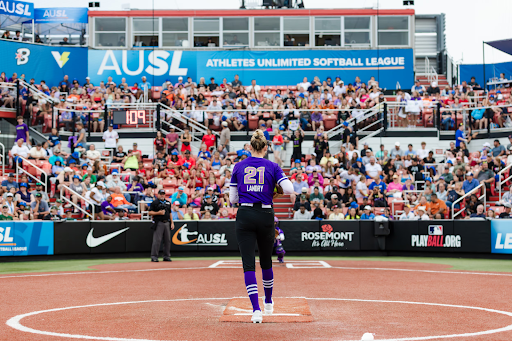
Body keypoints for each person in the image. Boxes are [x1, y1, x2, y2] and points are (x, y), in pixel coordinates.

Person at [229, 129, 294, 323]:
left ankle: (256, 310)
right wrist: (273, 189)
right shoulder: (272, 166)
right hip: (266, 214)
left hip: (245, 214)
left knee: (248, 264)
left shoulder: (238, 166)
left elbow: (233, 199)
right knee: (266, 261)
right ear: (266, 148)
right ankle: (268, 301)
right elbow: (289, 188)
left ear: (249, 147)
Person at [148, 189, 174, 262]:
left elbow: (170, 213)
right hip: (159, 222)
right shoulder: (155, 202)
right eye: (161, 194)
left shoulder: (168, 203)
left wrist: (172, 222)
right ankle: (154, 256)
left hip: (167, 222)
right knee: (157, 240)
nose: (162, 195)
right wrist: (158, 213)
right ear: (158, 194)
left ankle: (166, 256)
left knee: (167, 240)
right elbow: (150, 213)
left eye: (163, 194)